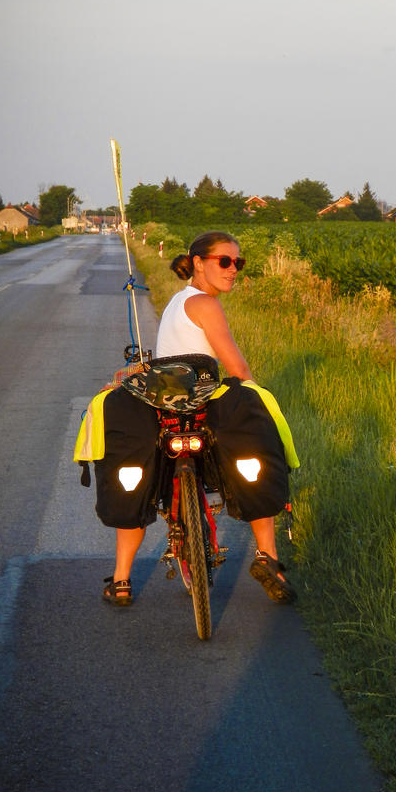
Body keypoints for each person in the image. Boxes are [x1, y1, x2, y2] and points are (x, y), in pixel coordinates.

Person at [102, 230, 296, 606]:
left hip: (165, 413)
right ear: (197, 263)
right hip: (200, 410)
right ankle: (268, 558)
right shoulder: (206, 304)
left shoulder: (177, 301)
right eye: (224, 261)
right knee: (258, 442)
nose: (233, 269)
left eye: (238, 262)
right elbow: (237, 367)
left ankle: (122, 580)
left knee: (140, 481)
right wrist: (256, 396)